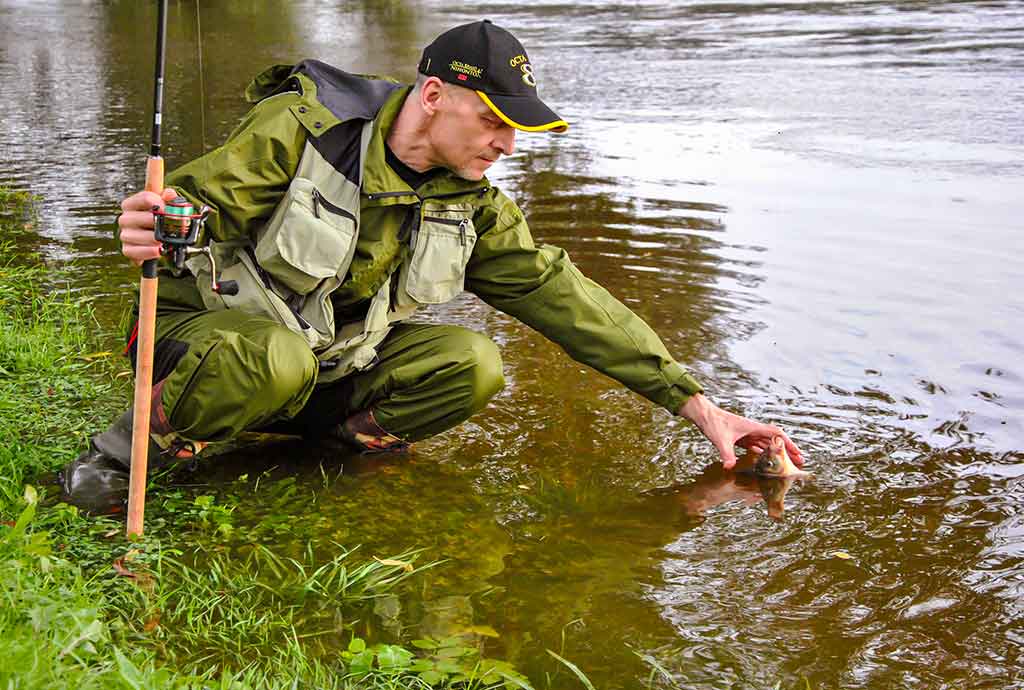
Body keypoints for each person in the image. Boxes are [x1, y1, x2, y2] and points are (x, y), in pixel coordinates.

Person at [60, 20, 802, 512]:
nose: (507, 146)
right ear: (436, 95)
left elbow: (564, 296)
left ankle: (324, 443)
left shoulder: (472, 197)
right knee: (274, 357)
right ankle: (122, 457)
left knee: (472, 361)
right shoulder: (303, 127)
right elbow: (194, 209)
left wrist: (698, 406)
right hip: (214, 339)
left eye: (518, 129)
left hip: (324, 362)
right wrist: (156, 222)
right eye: (494, 121)